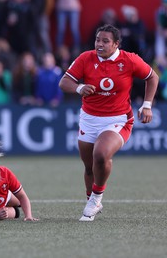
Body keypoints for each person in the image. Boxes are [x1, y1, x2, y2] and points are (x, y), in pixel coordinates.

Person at [58, 24, 159, 222]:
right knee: (89, 167)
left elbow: (152, 77)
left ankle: (96, 198)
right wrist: (79, 88)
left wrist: (147, 105)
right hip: (89, 119)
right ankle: (92, 199)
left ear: (116, 44)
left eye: (105, 41)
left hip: (118, 119)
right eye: (98, 40)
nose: (100, 44)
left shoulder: (129, 60)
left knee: (101, 154)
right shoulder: (86, 58)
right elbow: (64, 82)